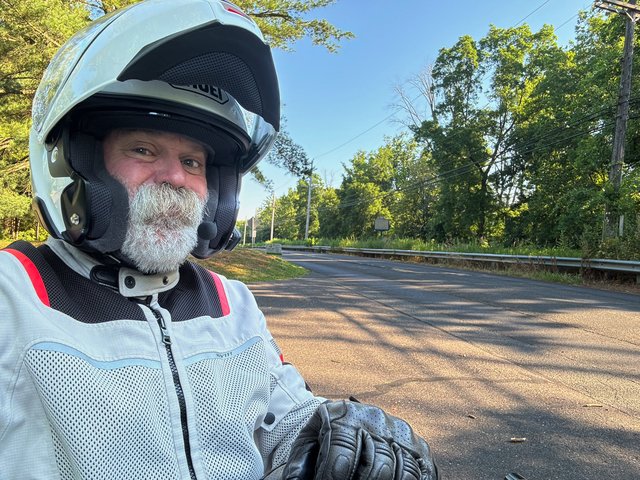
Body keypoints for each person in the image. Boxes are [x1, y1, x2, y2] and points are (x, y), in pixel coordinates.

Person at [0, 1, 439, 479]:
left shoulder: (233, 304)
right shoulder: (15, 297)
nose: (176, 178)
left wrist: (341, 439)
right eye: (143, 149)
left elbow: (281, 419)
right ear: (76, 162)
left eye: (193, 162)